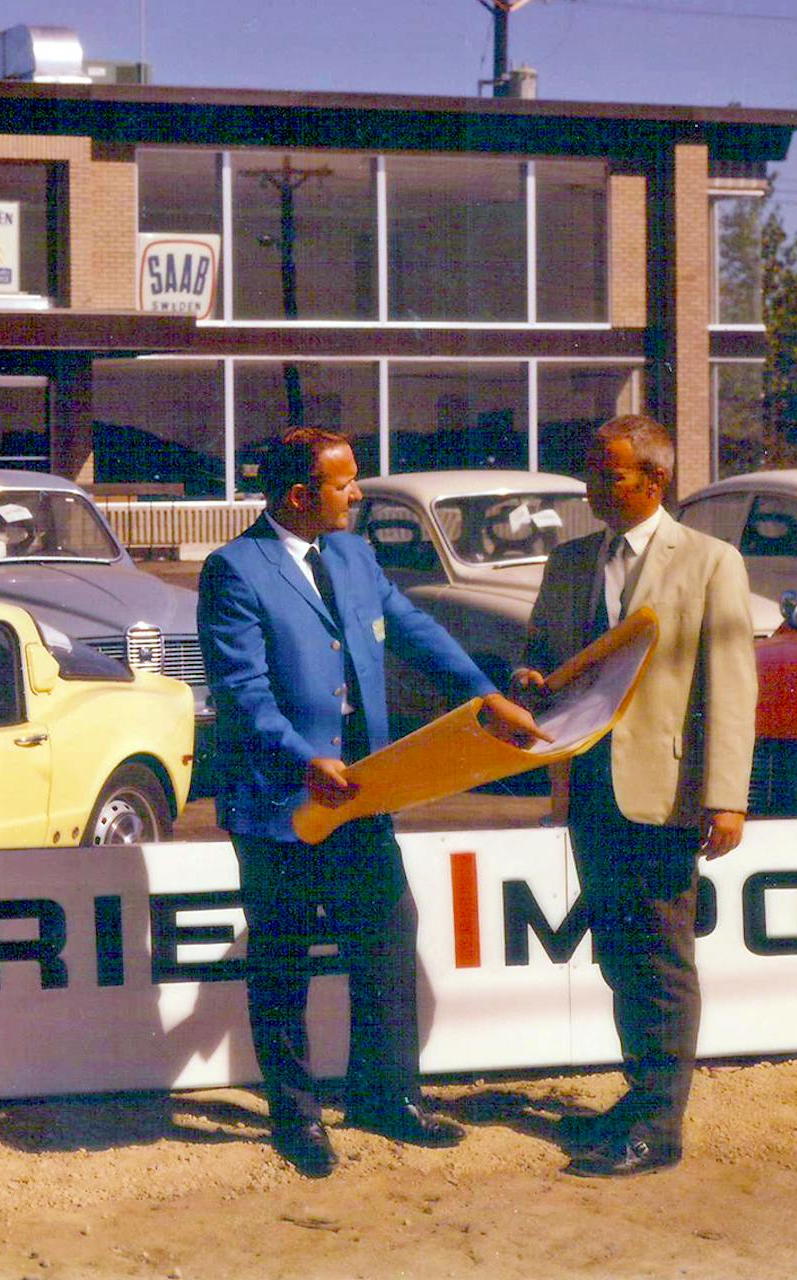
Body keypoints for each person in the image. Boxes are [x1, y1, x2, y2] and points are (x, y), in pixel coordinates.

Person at [198, 426, 544, 1178]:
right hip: (283, 803)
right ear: (300, 495)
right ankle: (297, 1116)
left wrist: (484, 696)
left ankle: (386, 1097)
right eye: (345, 481)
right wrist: (302, 760)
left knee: (388, 938)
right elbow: (242, 692)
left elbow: (415, 631)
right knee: (283, 959)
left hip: (368, 792)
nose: (358, 492)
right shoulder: (234, 571)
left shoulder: (355, 554)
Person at [513, 413, 757, 1178]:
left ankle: (660, 1125)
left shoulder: (712, 562)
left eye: (608, 473)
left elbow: (732, 687)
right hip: (589, 788)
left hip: (667, 793)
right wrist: (529, 683)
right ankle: (642, 1091)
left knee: (659, 955)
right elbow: (543, 659)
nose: (593, 487)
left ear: (655, 480)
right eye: (590, 472)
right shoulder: (569, 562)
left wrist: (726, 796)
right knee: (619, 952)